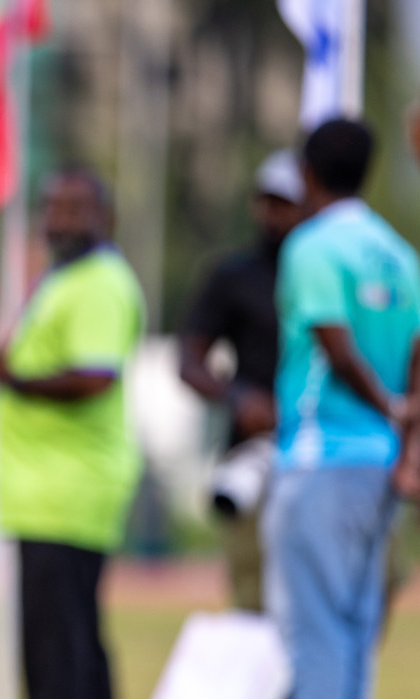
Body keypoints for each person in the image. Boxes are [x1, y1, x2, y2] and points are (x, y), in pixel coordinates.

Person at [243, 119, 420, 699]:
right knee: (353, 621)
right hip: (378, 464)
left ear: (309, 176)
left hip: (321, 454)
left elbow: (332, 341)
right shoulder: (397, 251)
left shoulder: (312, 246)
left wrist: (387, 408)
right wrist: (405, 428)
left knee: (313, 622)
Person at [0, 167, 145, 699]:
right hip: (47, 482)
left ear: (107, 217)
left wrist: (12, 379)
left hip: (69, 481)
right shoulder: (66, 278)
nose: (60, 220)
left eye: (75, 209)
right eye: (53, 207)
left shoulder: (100, 282)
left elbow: (95, 375)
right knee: (71, 625)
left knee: (57, 631)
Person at [178, 150, 304, 612]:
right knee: (253, 593)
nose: (274, 214)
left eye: (286, 203)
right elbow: (189, 359)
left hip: (318, 448)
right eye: (267, 202)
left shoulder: (325, 270)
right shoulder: (235, 276)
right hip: (253, 451)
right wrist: (237, 396)